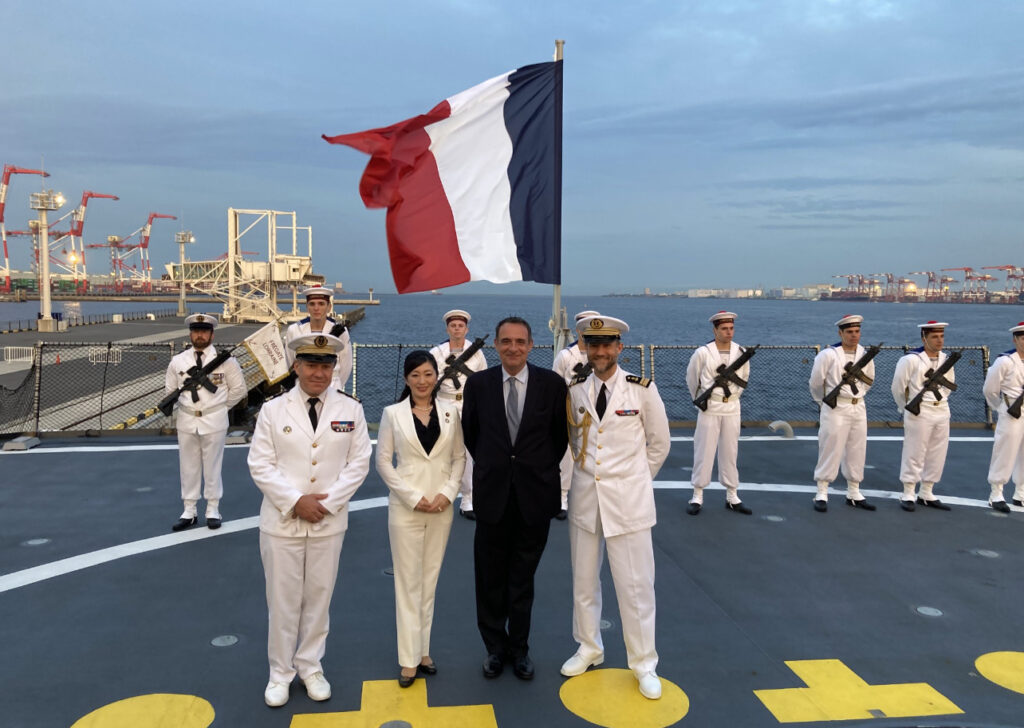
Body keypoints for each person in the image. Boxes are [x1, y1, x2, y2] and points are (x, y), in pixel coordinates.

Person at [248, 333, 371, 708]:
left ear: (335, 368)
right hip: (282, 522)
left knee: (319, 597)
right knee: (283, 600)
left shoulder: (351, 409)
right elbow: (260, 463)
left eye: (326, 365)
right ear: (296, 366)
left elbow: (358, 463)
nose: (319, 372)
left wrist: (326, 504)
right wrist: (296, 501)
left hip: (327, 522)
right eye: (311, 364)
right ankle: (279, 673)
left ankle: (311, 666)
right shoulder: (273, 409)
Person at [562, 315, 670, 700]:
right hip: (586, 500)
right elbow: (572, 445)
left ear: (620, 348)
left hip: (629, 503)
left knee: (636, 586)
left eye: (608, 344)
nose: (601, 351)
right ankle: (589, 647)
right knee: (584, 582)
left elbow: (659, 445)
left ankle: (644, 663)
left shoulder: (641, 390)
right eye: (594, 344)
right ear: (586, 348)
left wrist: (634, 480)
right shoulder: (575, 390)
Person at [461, 316, 568, 681]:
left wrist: (530, 470)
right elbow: (471, 434)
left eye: (520, 341)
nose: (513, 348)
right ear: (495, 345)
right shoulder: (478, 385)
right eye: (506, 341)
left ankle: (519, 649)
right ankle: (494, 648)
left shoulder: (552, 385)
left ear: (531, 345)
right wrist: (499, 468)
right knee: (489, 579)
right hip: (492, 496)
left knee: (523, 578)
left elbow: (558, 438)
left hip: (534, 497)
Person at [376, 351, 466, 688]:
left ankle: (423, 651)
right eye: (415, 375)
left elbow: (459, 457)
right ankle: (408, 659)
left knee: (429, 581)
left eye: (428, 374)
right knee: (407, 583)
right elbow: (384, 463)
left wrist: (448, 492)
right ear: (406, 379)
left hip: (441, 507)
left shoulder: (450, 412)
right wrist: (413, 497)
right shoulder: (392, 414)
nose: (422, 381)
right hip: (406, 509)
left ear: (436, 376)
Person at [165, 313, 246, 532]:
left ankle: (212, 509)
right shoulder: (179, 361)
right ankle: (189, 511)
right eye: (196, 331)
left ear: (211, 333)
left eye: (204, 331)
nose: (199, 335)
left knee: (213, 465)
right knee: (188, 466)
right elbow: (171, 390)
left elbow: (239, 390)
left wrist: (219, 408)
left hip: (214, 419)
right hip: (187, 418)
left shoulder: (226, 361)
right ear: (191, 333)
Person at [685, 311, 753, 515]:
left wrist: (733, 397)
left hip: (732, 407)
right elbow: (692, 380)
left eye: (731, 328)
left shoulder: (741, 352)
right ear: (715, 330)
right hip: (711, 407)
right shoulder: (703, 353)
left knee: (730, 451)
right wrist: (702, 401)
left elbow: (745, 377)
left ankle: (732, 495)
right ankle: (697, 495)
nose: (728, 332)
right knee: (704, 450)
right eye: (724, 329)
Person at [808, 314, 876, 512]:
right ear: (840, 333)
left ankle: (854, 491)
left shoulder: (864, 354)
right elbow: (815, 383)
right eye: (850, 332)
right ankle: (822, 491)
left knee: (857, 447)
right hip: (835, 406)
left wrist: (858, 395)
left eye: (857, 331)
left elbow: (869, 380)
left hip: (858, 406)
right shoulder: (828, 355)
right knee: (830, 447)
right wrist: (824, 402)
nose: (854, 336)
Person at [891, 321, 956, 511]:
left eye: (942, 336)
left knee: (938, 452)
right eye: (934, 337)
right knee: (914, 451)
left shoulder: (946, 359)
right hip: (919, 410)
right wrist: (906, 407)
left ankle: (927, 491)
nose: (939, 340)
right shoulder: (911, 360)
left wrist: (939, 399)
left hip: (941, 409)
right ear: (924, 338)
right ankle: (909, 492)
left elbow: (949, 385)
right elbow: (897, 387)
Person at [429, 309, 487, 520]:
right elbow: (428, 380)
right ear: (447, 328)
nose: (457, 329)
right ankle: (437, 495)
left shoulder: (476, 353)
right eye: (453, 326)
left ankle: (468, 499)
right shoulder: (437, 353)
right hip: (443, 404)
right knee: (440, 451)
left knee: (468, 454)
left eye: (460, 326)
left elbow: (482, 381)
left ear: (466, 328)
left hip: (468, 405)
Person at [551, 309, 601, 519]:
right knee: (567, 456)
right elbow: (555, 383)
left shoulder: (600, 354)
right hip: (571, 409)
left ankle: (592, 497)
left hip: (597, 410)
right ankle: (562, 497)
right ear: (578, 330)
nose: (586, 331)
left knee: (595, 451)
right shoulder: (565, 356)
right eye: (583, 327)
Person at [983, 322, 1024, 512]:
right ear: (1015, 339)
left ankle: (1021, 493)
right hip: (1011, 412)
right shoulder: (1005, 361)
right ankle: (996, 493)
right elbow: (990, 390)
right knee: (1005, 452)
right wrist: (1000, 407)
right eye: (1023, 338)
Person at [284, 286, 353, 391]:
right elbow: (290, 362)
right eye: (312, 304)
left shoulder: (340, 332)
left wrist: (336, 384)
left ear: (329, 307)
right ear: (307, 306)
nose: (316, 308)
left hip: (332, 386)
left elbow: (346, 366)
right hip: (302, 386)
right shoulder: (294, 330)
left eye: (321, 304)